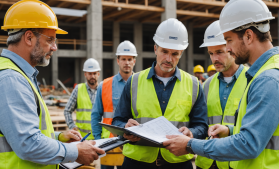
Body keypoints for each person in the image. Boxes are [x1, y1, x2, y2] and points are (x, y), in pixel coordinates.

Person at [163, 0, 279, 169]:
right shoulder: (269, 72)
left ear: (249, 36)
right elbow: (263, 131)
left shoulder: (267, 80)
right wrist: (230, 130)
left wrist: (191, 145)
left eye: (228, 40)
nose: (227, 48)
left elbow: (249, 144)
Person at [0, 1, 104, 168]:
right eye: (50, 40)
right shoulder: (9, 80)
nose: (54, 47)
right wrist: (75, 152)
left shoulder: (19, 75)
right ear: (28, 38)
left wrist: (58, 137)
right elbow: (28, 144)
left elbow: (22, 134)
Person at [112, 18, 208, 169]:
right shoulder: (134, 81)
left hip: (178, 163)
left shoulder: (194, 84)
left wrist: (192, 132)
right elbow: (117, 121)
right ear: (155, 48)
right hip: (137, 163)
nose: (168, 59)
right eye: (164, 51)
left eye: (175, 54)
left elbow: (202, 126)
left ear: (181, 53)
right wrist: (125, 128)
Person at [195, 20, 248, 169]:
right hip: (207, 161)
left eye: (219, 52)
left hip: (235, 161)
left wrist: (228, 131)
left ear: (231, 48)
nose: (214, 59)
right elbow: (200, 123)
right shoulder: (206, 85)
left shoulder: (252, 81)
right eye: (211, 53)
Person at [91, 40, 137, 169]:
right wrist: (98, 140)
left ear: (134, 61)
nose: (126, 62)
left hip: (132, 144)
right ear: (118, 60)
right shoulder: (104, 85)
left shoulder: (141, 85)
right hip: (108, 144)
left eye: (129, 59)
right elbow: (96, 114)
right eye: (123, 59)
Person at [64, 58, 100, 139]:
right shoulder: (78, 89)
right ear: (85, 74)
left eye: (94, 73)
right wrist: (72, 127)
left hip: (100, 138)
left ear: (98, 74)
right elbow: (67, 111)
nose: (92, 76)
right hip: (83, 138)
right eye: (90, 74)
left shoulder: (104, 90)